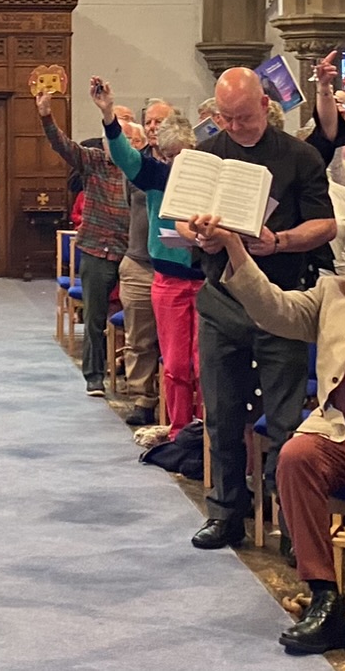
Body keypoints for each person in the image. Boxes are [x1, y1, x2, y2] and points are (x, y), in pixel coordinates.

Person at [183, 204, 345, 656]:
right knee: (294, 457)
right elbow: (274, 310)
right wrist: (234, 246)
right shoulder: (335, 294)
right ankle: (326, 601)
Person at [189, 59, 345, 551]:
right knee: (221, 414)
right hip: (223, 299)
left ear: (266, 104)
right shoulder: (205, 154)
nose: (235, 127)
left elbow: (325, 225)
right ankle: (227, 513)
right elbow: (180, 224)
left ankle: (289, 524)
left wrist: (278, 241)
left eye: (244, 116)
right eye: (225, 118)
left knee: (284, 422)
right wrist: (199, 232)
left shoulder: (299, 156)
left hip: (283, 299)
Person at [104, 103, 204, 439]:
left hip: (206, 281)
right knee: (175, 365)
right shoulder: (156, 176)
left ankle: (206, 431)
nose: (179, 163)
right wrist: (108, 116)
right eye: (172, 155)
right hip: (169, 281)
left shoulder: (208, 182)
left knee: (205, 365)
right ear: (162, 154)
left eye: (185, 155)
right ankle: (179, 431)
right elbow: (124, 156)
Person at [39, 82, 133, 397]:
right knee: (94, 318)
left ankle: (133, 376)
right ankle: (94, 376)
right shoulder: (92, 161)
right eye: (112, 138)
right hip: (95, 250)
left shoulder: (137, 170)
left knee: (135, 319)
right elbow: (62, 146)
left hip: (130, 253)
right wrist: (46, 117)